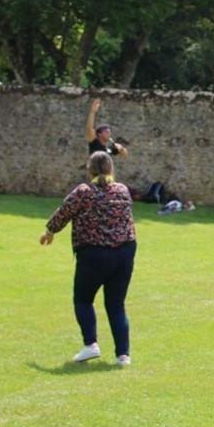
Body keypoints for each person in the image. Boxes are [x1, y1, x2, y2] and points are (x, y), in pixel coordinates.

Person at [41, 151, 136, 367]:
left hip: (94, 253)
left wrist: (49, 231)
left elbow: (64, 212)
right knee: (116, 304)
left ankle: (90, 345)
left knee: (83, 300)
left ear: (89, 170)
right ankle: (123, 355)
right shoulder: (123, 190)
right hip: (124, 252)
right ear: (111, 168)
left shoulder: (84, 192)